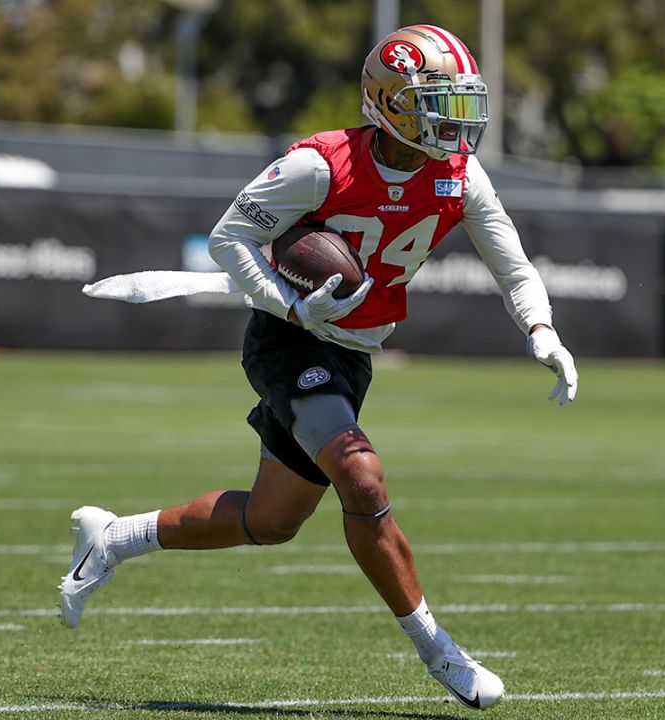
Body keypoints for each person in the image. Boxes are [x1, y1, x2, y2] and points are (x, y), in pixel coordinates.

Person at [58, 25, 578, 711]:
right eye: (438, 103)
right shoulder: (322, 164)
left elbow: (513, 268)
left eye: (461, 103)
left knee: (273, 520)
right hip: (289, 339)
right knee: (361, 476)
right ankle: (439, 650)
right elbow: (228, 238)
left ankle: (114, 538)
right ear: (391, 104)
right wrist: (290, 306)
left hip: (354, 352)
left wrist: (542, 329)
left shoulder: (459, 174)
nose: (456, 122)